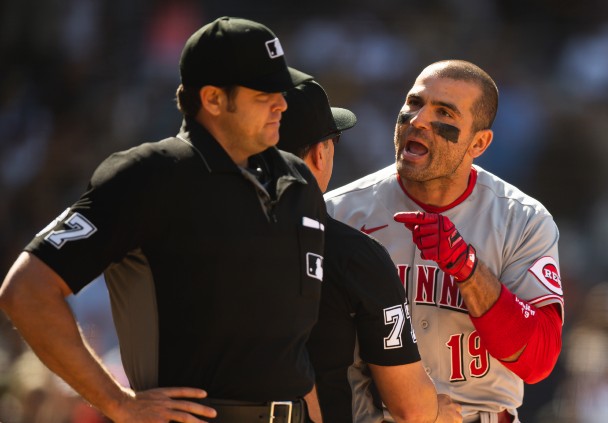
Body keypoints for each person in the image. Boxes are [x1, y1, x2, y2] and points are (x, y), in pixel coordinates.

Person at [0, 16, 327, 423]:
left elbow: (295, 348)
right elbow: (27, 289)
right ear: (212, 99)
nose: (282, 103)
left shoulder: (298, 182)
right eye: (264, 94)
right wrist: (117, 401)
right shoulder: (151, 174)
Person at [325, 60, 564, 423]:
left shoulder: (522, 220)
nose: (418, 120)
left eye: (444, 112)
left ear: (479, 143)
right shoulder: (340, 213)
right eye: (414, 102)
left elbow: (539, 360)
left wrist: (467, 268)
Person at [278, 80, 462, 423]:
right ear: (320, 153)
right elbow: (410, 407)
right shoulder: (354, 254)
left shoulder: (209, 235)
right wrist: (438, 413)